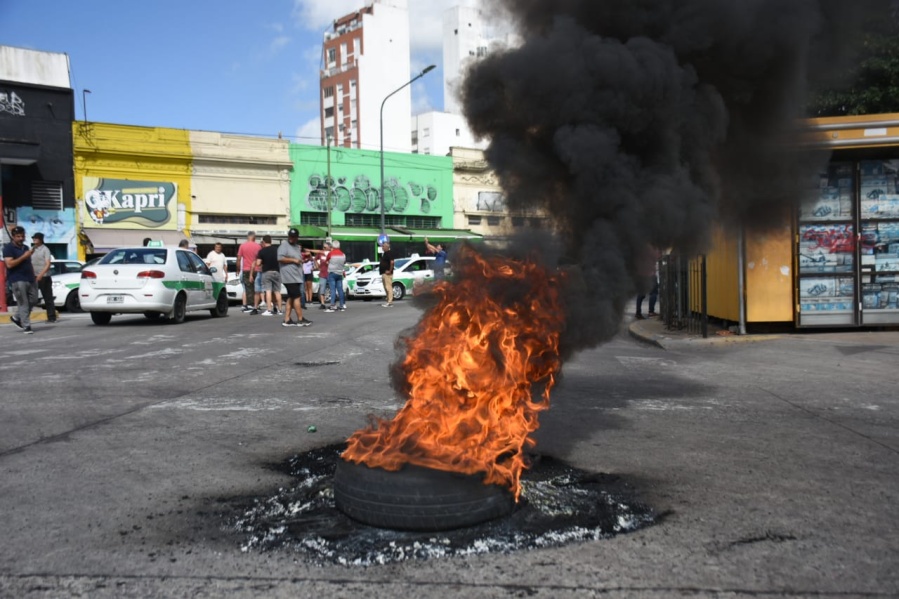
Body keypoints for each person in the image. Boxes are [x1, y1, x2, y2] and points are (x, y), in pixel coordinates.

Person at [3, 226, 37, 334]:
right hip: (17, 279)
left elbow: (29, 263)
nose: (21, 238)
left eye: (22, 236)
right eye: (18, 236)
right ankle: (26, 326)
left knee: (34, 300)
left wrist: (33, 275)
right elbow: (9, 264)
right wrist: (24, 256)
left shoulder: (25, 247)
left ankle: (17, 317)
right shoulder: (8, 248)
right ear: (13, 237)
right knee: (23, 303)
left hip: (30, 278)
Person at [278, 228, 312, 327]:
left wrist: (304, 261)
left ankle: (287, 319)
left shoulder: (297, 247)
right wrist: (293, 260)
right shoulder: (284, 246)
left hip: (296, 276)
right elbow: (280, 258)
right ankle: (300, 319)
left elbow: (298, 260)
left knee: (291, 297)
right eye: (290, 236)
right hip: (289, 276)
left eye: (294, 237)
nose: (292, 238)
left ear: (297, 237)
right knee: (297, 296)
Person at [30, 232, 57, 323]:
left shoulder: (45, 249)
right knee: (32, 297)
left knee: (48, 298)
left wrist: (41, 275)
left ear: (41, 239)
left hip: (44, 276)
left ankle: (51, 317)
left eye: (36, 238)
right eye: (33, 238)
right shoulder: (32, 249)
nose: (34, 239)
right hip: (34, 276)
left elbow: (48, 264)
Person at [252, 236, 282, 316]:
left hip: (267, 272)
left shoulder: (262, 251)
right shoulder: (277, 250)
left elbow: (258, 263)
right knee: (277, 291)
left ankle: (269, 309)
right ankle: (279, 310)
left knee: (268, 291)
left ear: (264, 242)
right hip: (277, 272)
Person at [236, 231, 261, 312]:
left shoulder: (242, 246)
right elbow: (260, 258)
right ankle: (256, 305)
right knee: (256, 288)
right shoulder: (258, 246)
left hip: (246, 269)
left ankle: (250, 305)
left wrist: (238, 269)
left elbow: (239, 259)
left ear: (248, 237)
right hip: (256, 269)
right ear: (254, 237)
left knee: (248, 288)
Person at [325, 240, 347, 312]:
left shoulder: (330, 253)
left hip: (332, 273)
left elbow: (326, 261)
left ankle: (333, 305)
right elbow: (344, 262)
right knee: (340, 290)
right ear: (339, 246)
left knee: (333, 290)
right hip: (339, 273)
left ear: (332, 246)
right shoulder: (343, 254)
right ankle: (342, 305)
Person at [379, 241, 395, 307]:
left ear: (387, 247)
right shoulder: (385, 254)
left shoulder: (389, 253)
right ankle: (388, 300)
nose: (382, 247)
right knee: (386, 287)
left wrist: (390, 271)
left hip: (387, 273)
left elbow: (392, 262)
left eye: (383, 246)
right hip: (383, 273)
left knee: (388, 287)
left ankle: (390, 302)